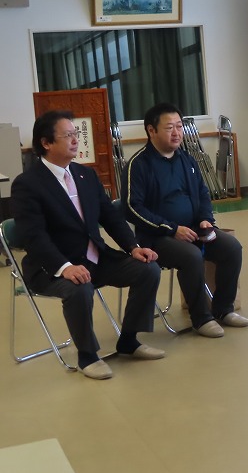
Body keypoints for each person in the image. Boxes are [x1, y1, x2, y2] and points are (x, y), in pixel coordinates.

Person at [11, 111, 164, 380]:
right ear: (46, 143)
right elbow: (33, 237)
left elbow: (110, 216)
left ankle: (129, 340)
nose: (76, 140)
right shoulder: (28, 184)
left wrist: (132, 247)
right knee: (79, 289)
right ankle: (87, 356)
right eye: (68, 135)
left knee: (148, 269)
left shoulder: (85, 174)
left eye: (75, 134)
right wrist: (65, 267)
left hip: (95, 258)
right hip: (51, 268)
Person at [123, 103, 247, 338]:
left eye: (179, 126)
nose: (176, 133)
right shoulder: (138, 165)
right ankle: (201, 318)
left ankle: (223, 309)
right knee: (190, 256)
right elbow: (131, 208)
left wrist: (205, 219)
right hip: (157, 237)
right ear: (151, 130)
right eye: (169, 127)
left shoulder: (186, 159)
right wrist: (172, 229)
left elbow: (202, 193)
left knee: (232, 248)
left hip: (193, 229)